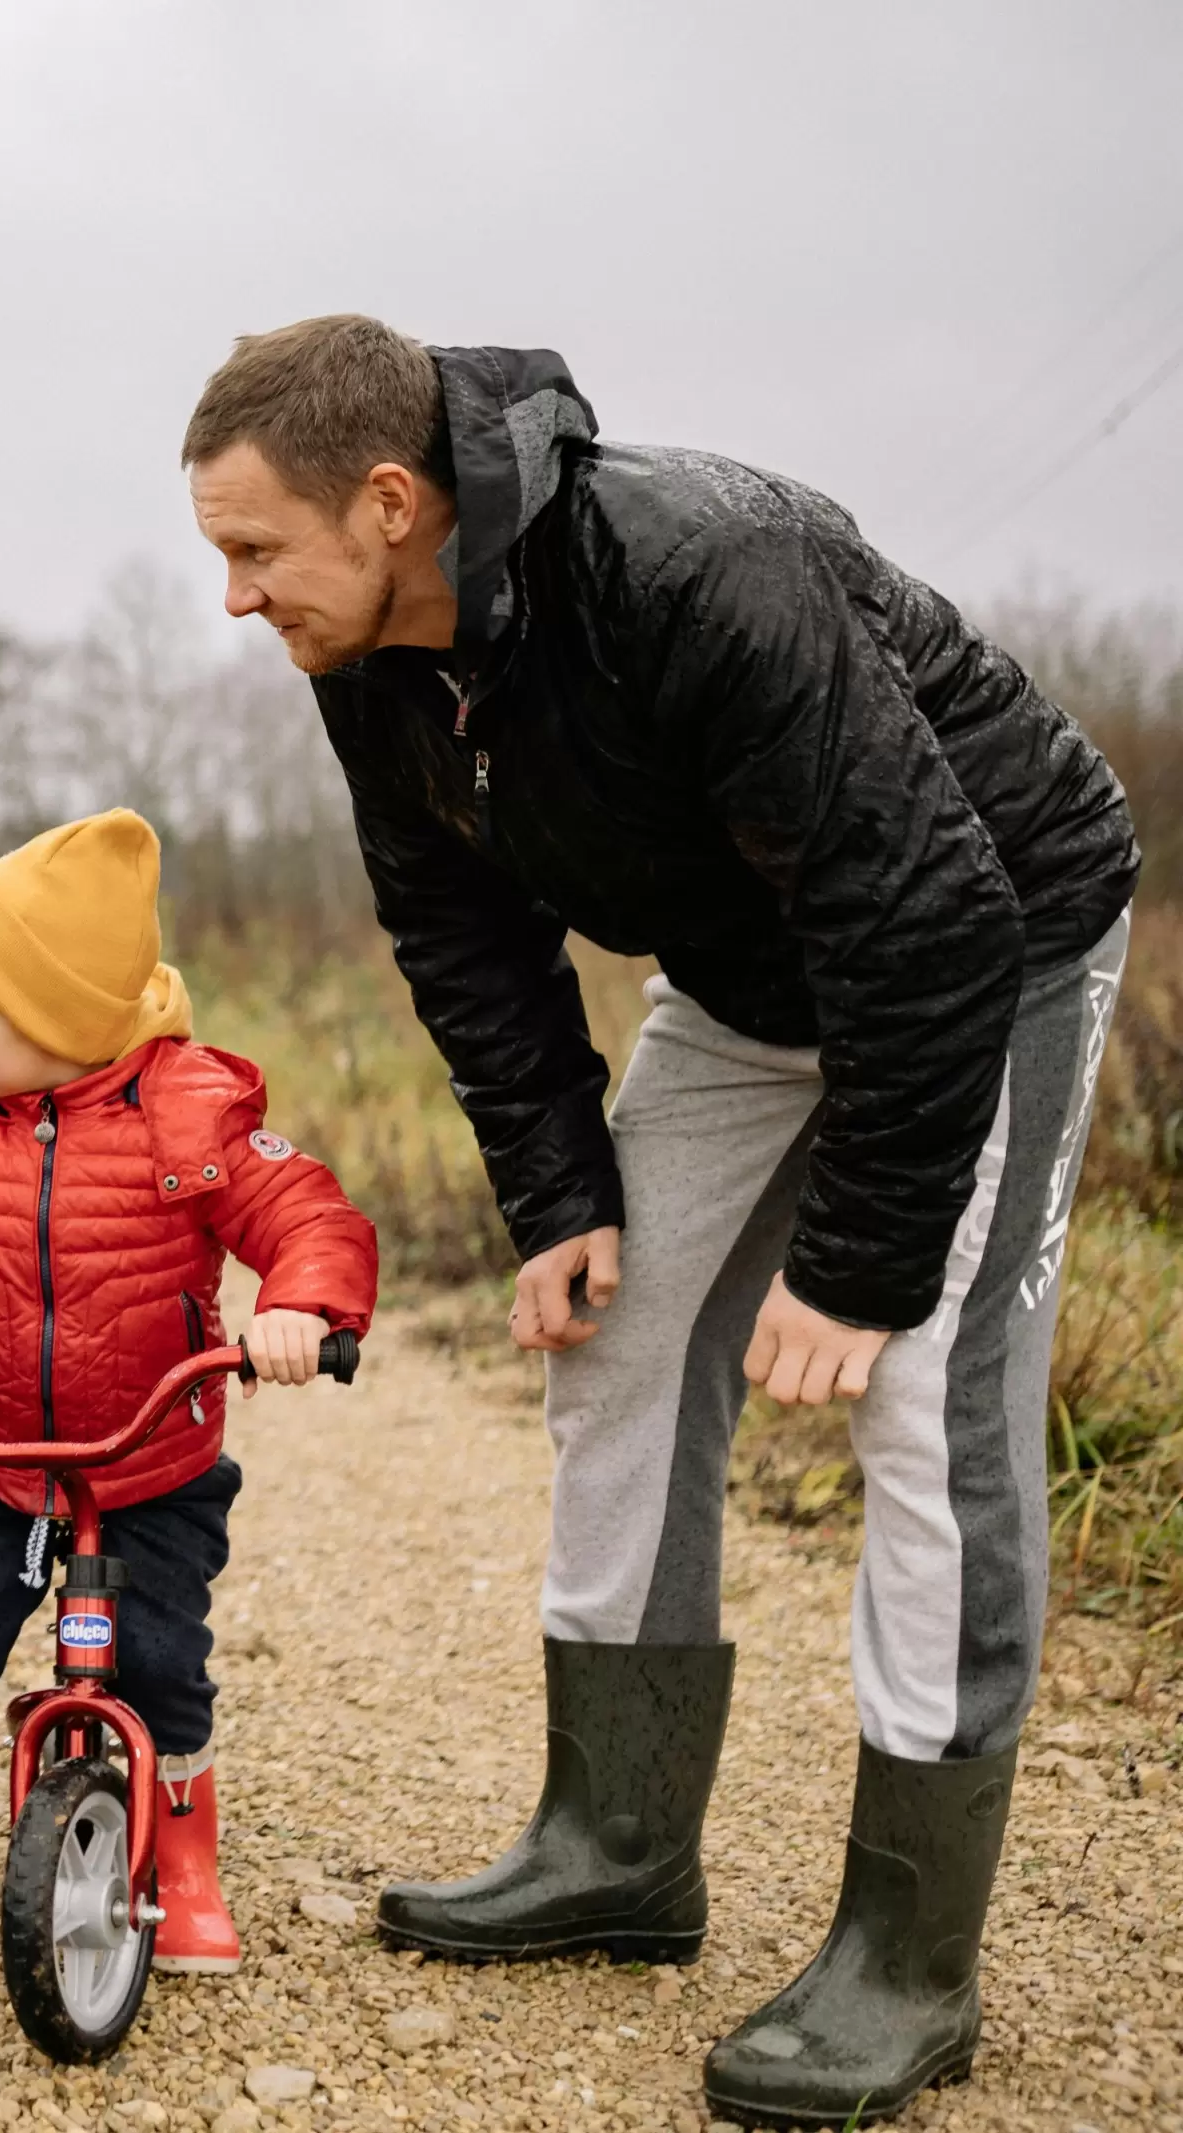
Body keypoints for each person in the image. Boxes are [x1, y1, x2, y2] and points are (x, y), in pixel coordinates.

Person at [183, 316, 1137, 2124]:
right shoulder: (368, 652)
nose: (235, 597)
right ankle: (616, 1839)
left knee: (935, 1411)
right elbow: (460, 932)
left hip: (987, 941)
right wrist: (555, 1194)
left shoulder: (702, 569)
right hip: (752, 974)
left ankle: (907, 1957)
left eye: (254, 551)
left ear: (390, 501)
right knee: (611, 1330)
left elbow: (922, 912)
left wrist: (858, 1261)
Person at [0, 808, 379, 1974]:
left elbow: (302, 1209)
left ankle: (189, 1872)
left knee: (161, 1666)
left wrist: (300, 1305)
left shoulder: (188, 1112)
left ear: (58, 1015)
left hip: (152, 1463)